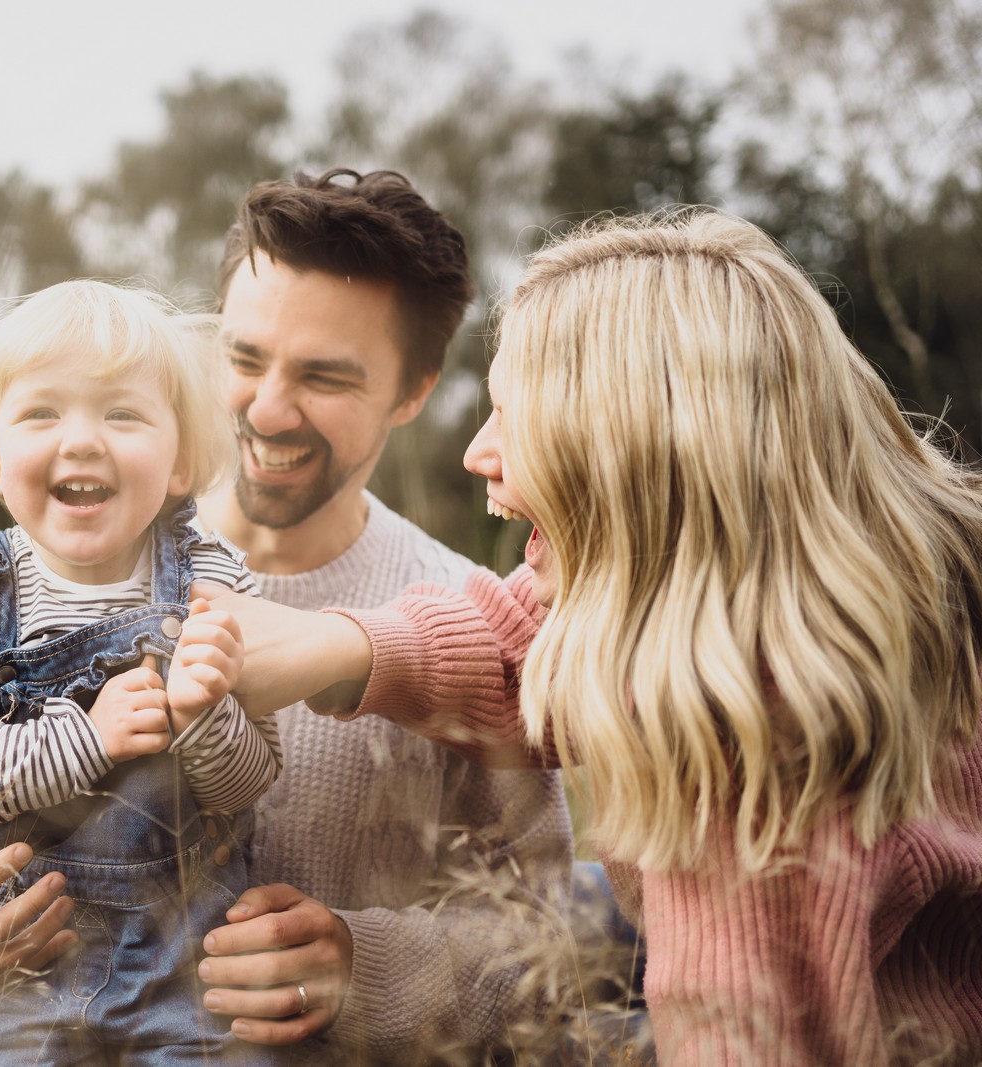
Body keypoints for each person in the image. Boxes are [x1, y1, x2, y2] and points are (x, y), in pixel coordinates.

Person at [0, 170, 574, 1066]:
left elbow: (556, 946)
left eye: (326, 376)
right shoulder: (40, 569)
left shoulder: (475, 630)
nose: (267, 410)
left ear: (414, 390)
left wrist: (370, 963)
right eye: (243, 358)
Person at [217, 209, 982, 1066]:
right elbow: (527, 647)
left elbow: (740, 1035)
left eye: (515, 415)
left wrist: (378, 968)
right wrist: (348, 646)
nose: (479, 452)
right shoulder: (786, 589)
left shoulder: (749, 757)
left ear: (636, 450)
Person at [0, 279, 280, 1065]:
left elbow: (252, 782)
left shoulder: (216, 579)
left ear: (180, 463)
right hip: (28, 975)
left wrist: (209, 714)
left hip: (192, 976)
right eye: (43, 412)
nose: (82, 439)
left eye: (122, 413)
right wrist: (88, 737)